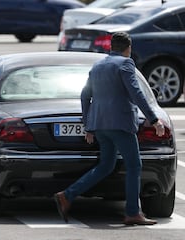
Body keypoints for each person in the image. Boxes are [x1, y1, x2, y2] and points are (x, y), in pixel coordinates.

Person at [54, 32, 165, 225]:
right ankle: (132, 212)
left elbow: (84, 95)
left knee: (106, 166)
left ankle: (67, 195)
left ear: (110, 47)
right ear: (128, 48)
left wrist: (88, 124)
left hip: (100, 126)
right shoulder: (125, 64)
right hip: (120, 124)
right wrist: (154, 119)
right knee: (134, 166)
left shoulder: (98, 66)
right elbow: (137, 93)